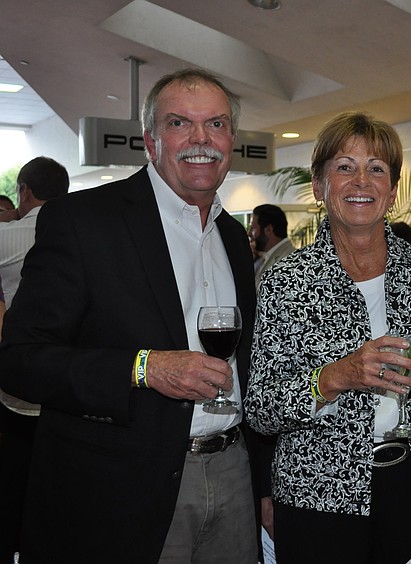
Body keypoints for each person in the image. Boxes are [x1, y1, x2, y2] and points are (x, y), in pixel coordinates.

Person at [0, 68, 268, 564]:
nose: (200, 140)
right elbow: (21, 359)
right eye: (179, 124)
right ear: (150, 140)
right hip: (121, 489)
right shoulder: (83, 221)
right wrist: (145, 369)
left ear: (231, 139)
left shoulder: (232, 236)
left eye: (215, 124)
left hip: (232, 471)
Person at [245, 111, 411, 564]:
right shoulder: (287, 281)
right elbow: (260, 409)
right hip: (319, 496)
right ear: (319, 187)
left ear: (392, 192)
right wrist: (334, 377)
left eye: (376, 168)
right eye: (344, 167)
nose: (362, 180)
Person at [0, 156, 69, 564]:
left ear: (24, 190)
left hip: (17, 384)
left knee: (14, 481)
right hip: (69, 384)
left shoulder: (9, 236)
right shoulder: (87, 230)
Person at [249, 203, 294, 287]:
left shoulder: (287, 260)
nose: (249, 233)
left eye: (253, 228)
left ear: (269, 229)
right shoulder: (264, 258)